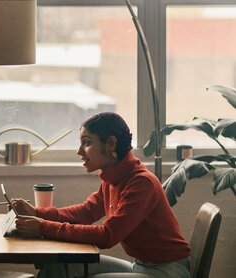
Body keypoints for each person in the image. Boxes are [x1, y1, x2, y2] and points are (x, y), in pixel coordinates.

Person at [11, 112, 191, 278]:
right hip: (140, 266)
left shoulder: (141, 183)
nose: (79, 151)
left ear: (111, 144)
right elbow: (86, 212)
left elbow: (107, 235)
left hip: (167, 272)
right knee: (57, 266)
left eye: (87, 142)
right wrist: (37, 213)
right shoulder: (112, 177)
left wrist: (43, 227)